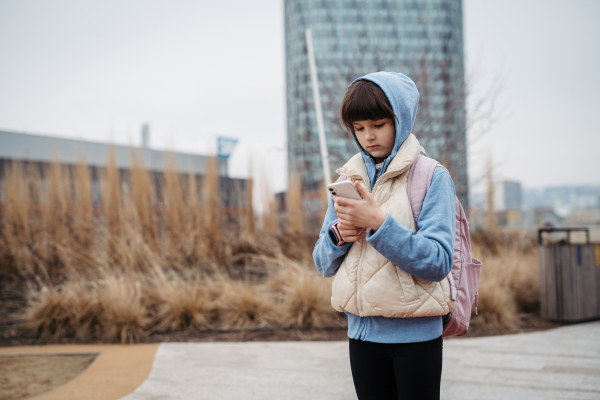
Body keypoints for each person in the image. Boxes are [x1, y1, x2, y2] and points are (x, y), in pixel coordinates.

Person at [313, 71, 456, 400]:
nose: (368, 136)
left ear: (400, 119)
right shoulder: (349, 177)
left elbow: (438, 261)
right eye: (359, 128)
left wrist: (379, 223)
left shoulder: (431, 176)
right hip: (361, 336)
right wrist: (340, 235)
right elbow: (322, 262)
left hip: (416, 338)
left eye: (378, 124)